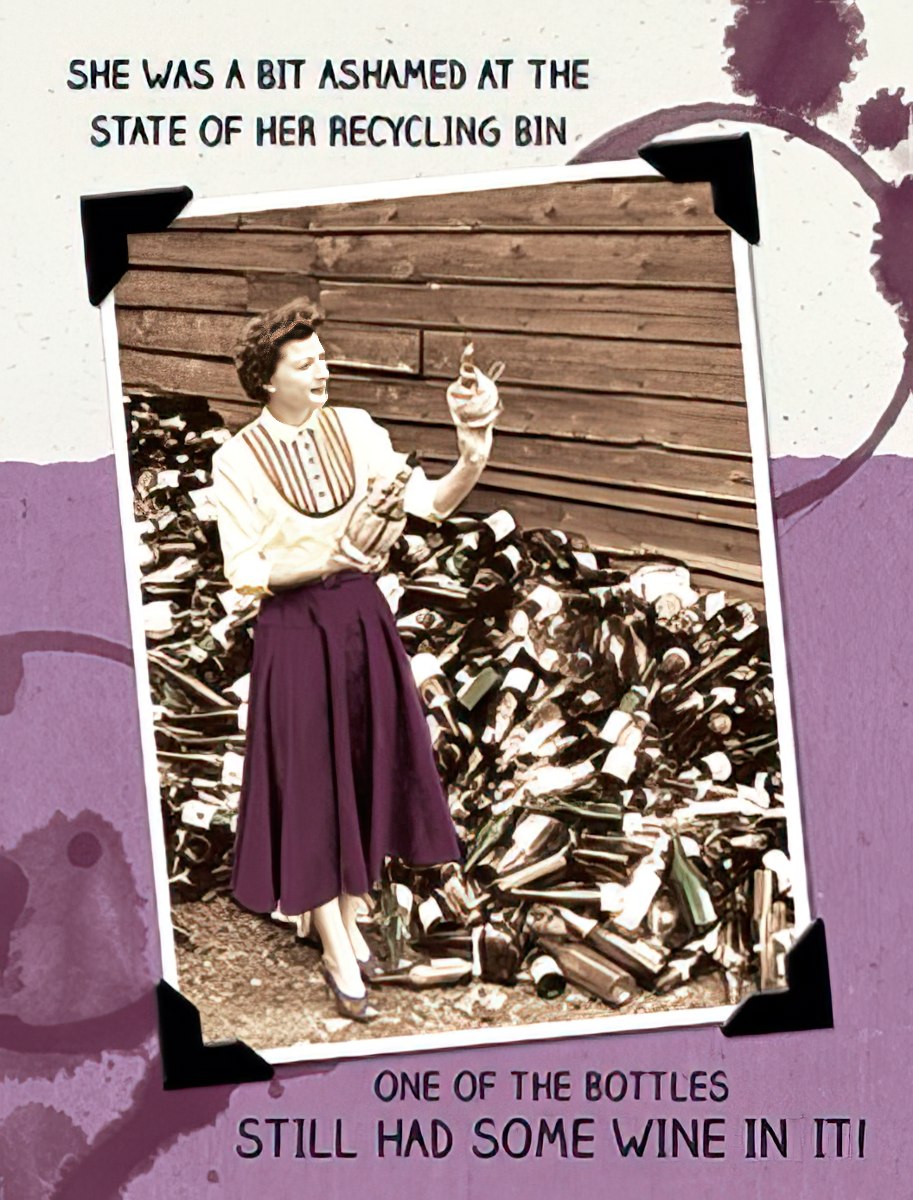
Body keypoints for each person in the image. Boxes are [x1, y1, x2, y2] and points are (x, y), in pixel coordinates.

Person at [210, 299, 497, 1020]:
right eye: (305, 363)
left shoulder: (359, 430)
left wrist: (473, 446)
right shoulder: (235, 459)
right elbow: (244, 570)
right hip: (292, 630)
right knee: (313, 782)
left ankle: (340, 918)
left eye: (323, 357)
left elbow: (428, 504)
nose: (323, 370)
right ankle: (339, 949)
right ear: (267, 379)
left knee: (357, 771)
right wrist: (321, 561)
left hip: (362, 621)